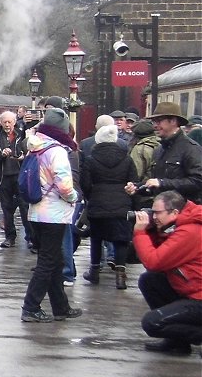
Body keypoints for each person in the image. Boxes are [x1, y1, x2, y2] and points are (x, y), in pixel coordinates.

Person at [20, 106, 83, 322]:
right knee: (47, 262)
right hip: (54, 214)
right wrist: (75, 197)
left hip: (36, 212)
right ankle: (30, 306)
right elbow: (64, 186)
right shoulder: (56, 151)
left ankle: (60, 307)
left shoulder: (35, 147)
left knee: (54, 261)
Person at [130, 190, 202, 354]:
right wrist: (151, 232)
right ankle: (177, 344)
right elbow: (151, 262)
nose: (153, 217)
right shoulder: (178, 227)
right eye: (152, 211)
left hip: (199, 299)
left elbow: (154, 262)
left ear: (175, 212)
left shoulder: (189, 232)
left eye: (157, 213)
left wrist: (140, 232)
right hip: (191, 293)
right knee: (150, 280)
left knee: (152, 323)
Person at [79, 121, 133, 286]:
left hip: (98, 203)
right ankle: (120, 276)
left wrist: (91, 197)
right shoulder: (127, 159)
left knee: (96, 237)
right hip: (121, 203)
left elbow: (85, 184)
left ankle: (94, 271)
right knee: (121, 239)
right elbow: (133, 182)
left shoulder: (90, 159)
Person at [126, 101, 202, 205]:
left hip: (185, 213)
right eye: (154, 122)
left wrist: (162, 183)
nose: (155, 126)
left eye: (159, 121)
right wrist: (138, 187)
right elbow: (157, 184)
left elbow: (198, 181)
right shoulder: (160, 150)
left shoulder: (190, 148)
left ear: (173, 121)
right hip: (163, 213)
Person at [0, 110, 27, 247]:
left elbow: (31, 153)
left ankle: (31, 238)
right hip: (3, 177)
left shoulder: (22, 135)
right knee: (7, 209)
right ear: (1, 123)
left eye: (10, 122)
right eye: (5, 122)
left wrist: (23, 157)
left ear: (14, 122)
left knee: (25, 208)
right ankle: (10, 237)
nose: (7, 125)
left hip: (20, 176)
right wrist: (1, 155)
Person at [128, 119, 161, 191]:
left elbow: (136, 173)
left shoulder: (139, 149)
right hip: (159, 188)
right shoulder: (160, 144)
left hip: (143, 189)